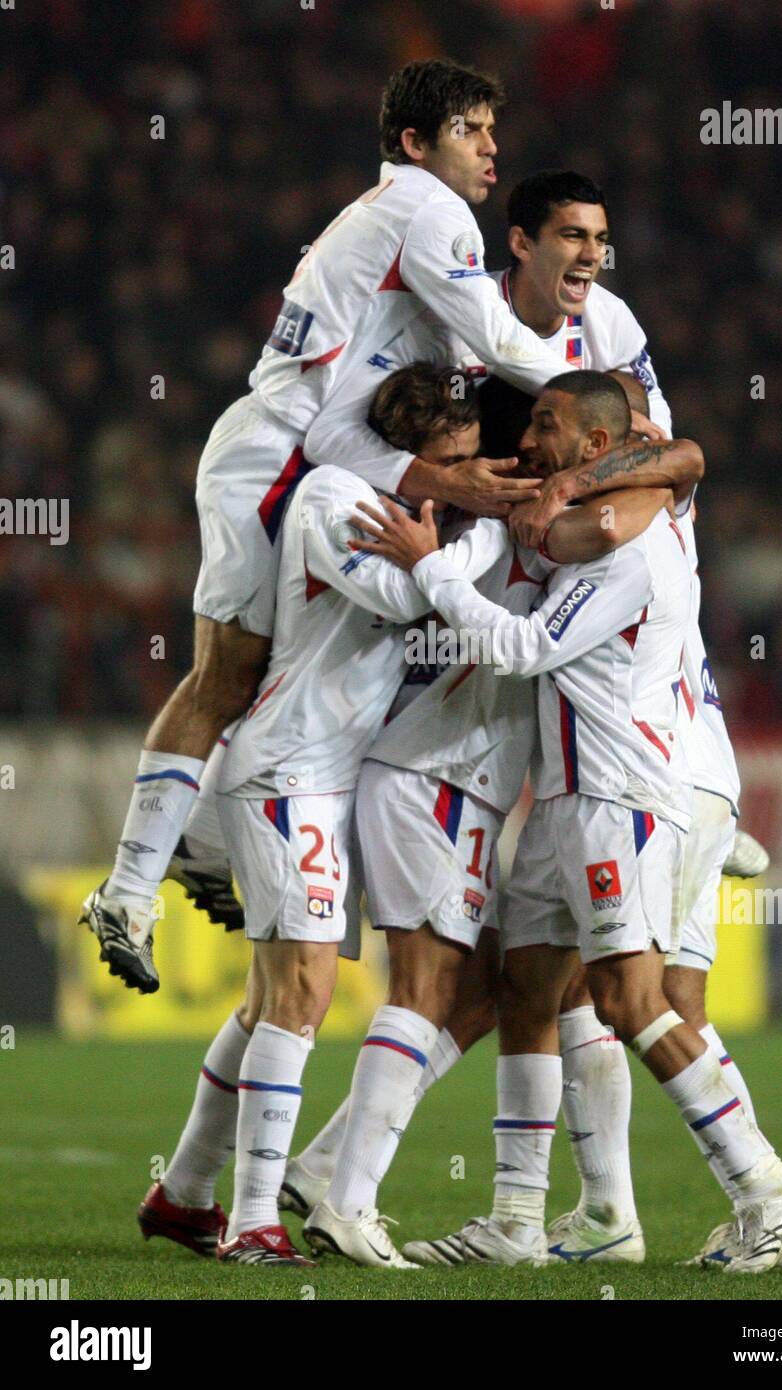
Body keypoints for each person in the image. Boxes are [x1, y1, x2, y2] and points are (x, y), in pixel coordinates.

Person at [79, 57, 586, 994]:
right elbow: (501, 345)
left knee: (277, 673)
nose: (491, 147)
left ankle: (194, 845)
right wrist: (599, 385)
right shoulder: (428, 213)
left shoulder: (384, 219)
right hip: (275, 457)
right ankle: (130, 888)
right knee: (228, 674)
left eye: (490, 129)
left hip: (291, 448)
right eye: (471, 129)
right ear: (414, 143)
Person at [354, 371, 782, 1275]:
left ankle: (763, 1185)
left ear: (598, 447)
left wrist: (429, 571)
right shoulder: (616, 519)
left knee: (630, 1000)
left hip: (619, 799)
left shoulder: (628, 552)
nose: (531, 438)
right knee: (526, 984)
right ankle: (519, 1218)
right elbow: (663, 467)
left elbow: (526, 648)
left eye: (547, 424)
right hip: (569, 799)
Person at [137, 368, 507, 1267]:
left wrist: (448, 543)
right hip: (284, 771)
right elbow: (404, 597)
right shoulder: (331, 497)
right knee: (304, 995)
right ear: (405, 460)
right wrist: (479, 537)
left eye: (472, 464)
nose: (462, 486)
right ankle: (259, 1220)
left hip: (326, 779)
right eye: (449, 466)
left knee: (269, 996)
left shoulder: (421, 521)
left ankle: (185, 1193)